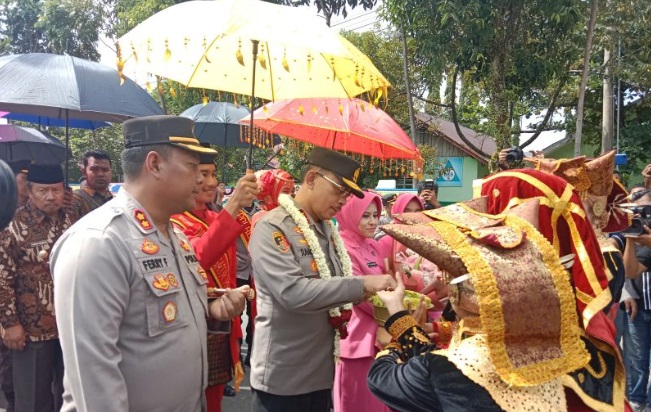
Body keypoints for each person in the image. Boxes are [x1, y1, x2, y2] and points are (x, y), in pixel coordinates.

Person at [50, 115, 245, 412]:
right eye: (193, 167)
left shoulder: (174, 236)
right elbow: (94, 379)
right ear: (154, 164)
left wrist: (211, 310)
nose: (203, 180)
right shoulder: (99, 243)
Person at [368, 196, 589, 412]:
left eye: (447, 276)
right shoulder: (552, 349)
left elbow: (382, 378)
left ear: (461, 295)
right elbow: (434, 361)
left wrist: (396, 340)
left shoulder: (458, 366)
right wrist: (400, 315)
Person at [249, 147, 396, 412]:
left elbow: (333, 290)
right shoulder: (273, 226)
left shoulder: (326, 230)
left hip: (322, 372)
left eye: (349, 194)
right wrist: (362, 284)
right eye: (340, 189)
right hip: (285, 376)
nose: (344, 200)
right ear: (312, 178)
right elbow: (292, 292)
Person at [170, 154, 257, 411]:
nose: (210, 182)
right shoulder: (173, 220)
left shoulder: (212, 216)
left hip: (221, 326)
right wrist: (233, 205)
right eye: (202, 174)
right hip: (190, 326)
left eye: (212, 174)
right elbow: (198, 259)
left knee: (214, 400)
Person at [0, 163, 75, 412]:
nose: (51, 196)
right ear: (30, 191)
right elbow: (2, 278)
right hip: (31, 330)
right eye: (43, 191)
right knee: (32, 399)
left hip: (71, 326)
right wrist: (10, 324)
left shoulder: (75, 222)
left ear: (64, 190)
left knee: (72, 393)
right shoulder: (13, 225)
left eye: (56, 190)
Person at [332, 191, 391, 412]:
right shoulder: (342, 248)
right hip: (356, 338)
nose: (373, 221)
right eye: (365, 215)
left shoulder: (373, 245)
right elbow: (356, 294)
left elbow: (388, 279)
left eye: (376, 215)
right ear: (349, 213)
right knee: (356, 403)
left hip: (383, 334)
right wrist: (396, 308)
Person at [70, 149, 114, 217]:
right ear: (84, 172)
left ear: (111, 172)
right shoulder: (75, 199)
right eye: (94, 169)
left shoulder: (115, 200)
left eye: (105, 170)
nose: (100, 174)